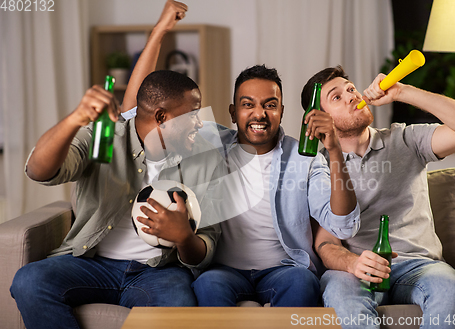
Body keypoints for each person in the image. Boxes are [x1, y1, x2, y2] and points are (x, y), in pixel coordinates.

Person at [120, 0, 361, 307]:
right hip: (221, 269)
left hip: (284, 269)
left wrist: (335, 151)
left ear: (282, 112)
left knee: (302, 283)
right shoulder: (207, 140)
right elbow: (134, 110)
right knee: (207, 286)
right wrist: (159, 31)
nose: (259, 114)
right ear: (233, 112)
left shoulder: (305, 158)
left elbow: (342, 225)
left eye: (270, 105)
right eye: (248, 105)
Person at [10, 4, 224, 329]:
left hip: (159, 272)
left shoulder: (203, 155)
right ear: (162, 118)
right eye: (192, 115)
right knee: (29, 280)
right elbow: (38, 171)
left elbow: (205, 247)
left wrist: (183, 238)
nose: (200, 123)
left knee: (179, 306)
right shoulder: (106, 137)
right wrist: (74, 119)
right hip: (91, 262)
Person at [301, 65, 455, 328]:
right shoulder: (320, 167)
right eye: (337, 97)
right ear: (319, 119)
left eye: (351, 89)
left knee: (451, 287)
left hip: (420, 266)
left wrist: (403, 91)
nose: (352, 96)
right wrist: (353, 263)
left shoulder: (406, 140)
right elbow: (326, 244)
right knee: (339, 291)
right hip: (358, 270)